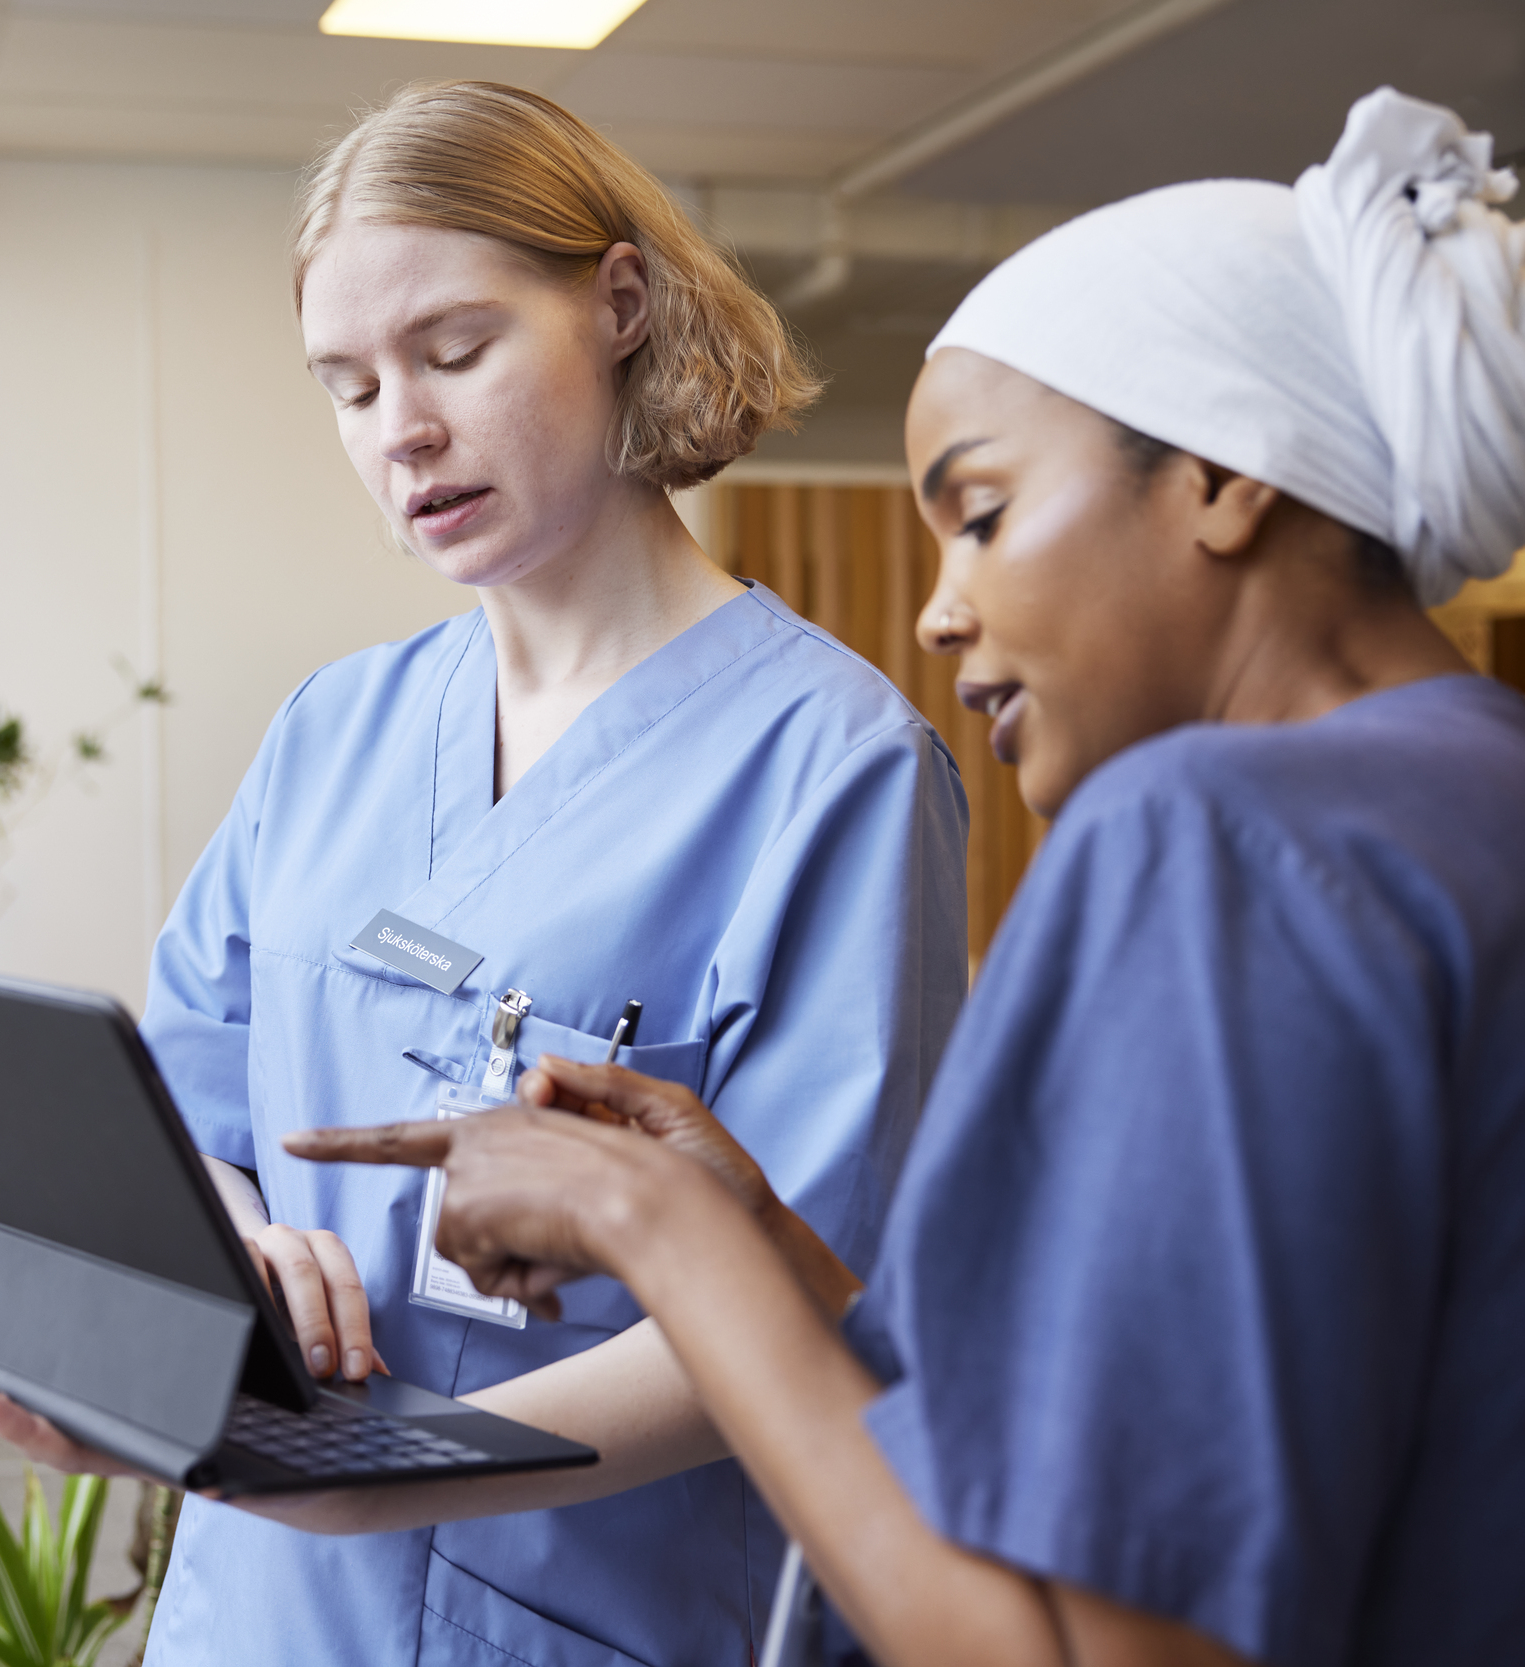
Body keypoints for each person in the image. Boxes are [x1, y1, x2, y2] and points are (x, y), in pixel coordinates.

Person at [295, 87, 1525, 1666]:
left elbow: (1054, 1643)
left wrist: (647, 1229)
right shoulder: (1476, 782)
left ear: (1225, 479)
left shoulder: (1215, 832)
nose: (939, 619)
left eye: (988, 514)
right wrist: (747, 1232)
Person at [0, 82, 970, 1666]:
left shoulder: (835, 770)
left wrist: (389, 1478)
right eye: (346, 387)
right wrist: (226, 1267)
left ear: (618, 304)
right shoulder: (332, 730)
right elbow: (190, 1124)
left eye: (453, 351)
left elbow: (822, 1300)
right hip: (265, 1607)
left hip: (583, 1610)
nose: (399, 428)